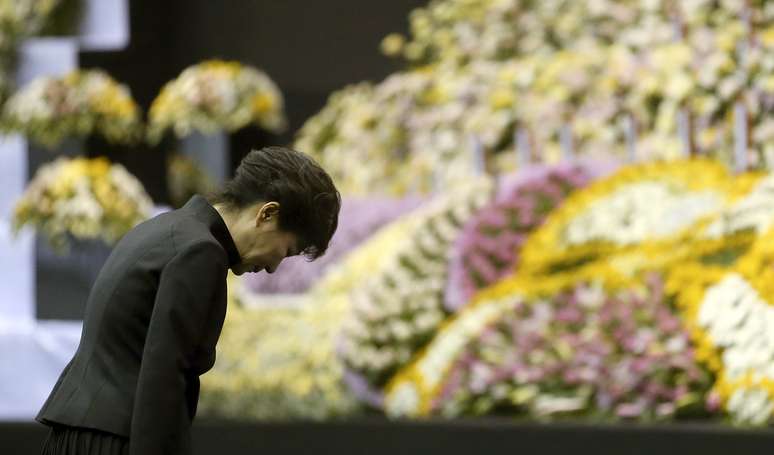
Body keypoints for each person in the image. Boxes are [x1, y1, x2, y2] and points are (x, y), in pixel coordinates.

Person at [37, 146, 341, 455]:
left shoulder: (166, 229)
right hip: (115, 440)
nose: (275, 266)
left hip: (80, 435)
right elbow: (165, 378)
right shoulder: (201, 252)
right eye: (286, 250)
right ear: (267, 213)